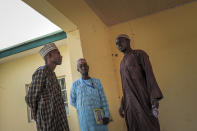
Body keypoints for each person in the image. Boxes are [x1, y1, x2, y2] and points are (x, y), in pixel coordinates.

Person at [115, 34, 163, 131]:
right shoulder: (122, 63)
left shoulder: (139, 54)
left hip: (143, 98)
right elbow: (125, 86)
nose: (118, 44)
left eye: (121, 41)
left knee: (148, 125)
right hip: (130, 104)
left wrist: (154, 97)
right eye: (116, 43)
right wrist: (123, 104)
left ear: (128, 41)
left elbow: (150, 75)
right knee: (134, 126)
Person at [25, 43, 69, 131]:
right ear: (49, 55)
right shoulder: (41, 71)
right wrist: (40, 115)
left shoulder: (52, 74)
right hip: (48, 122)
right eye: (58, 53)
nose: (61, 56)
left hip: (59, 120)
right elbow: (30, 98)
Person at [70, 58, 110, 131]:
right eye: (80, 66)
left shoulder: (97, 82)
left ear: (88, 67)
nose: (83, 67)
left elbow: (103, 99)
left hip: (100, 118)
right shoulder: (75, 85)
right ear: (78, 69)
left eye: (85, 65)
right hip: (85, 121)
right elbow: (72, 101)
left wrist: (107, 115)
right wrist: (83, 108)